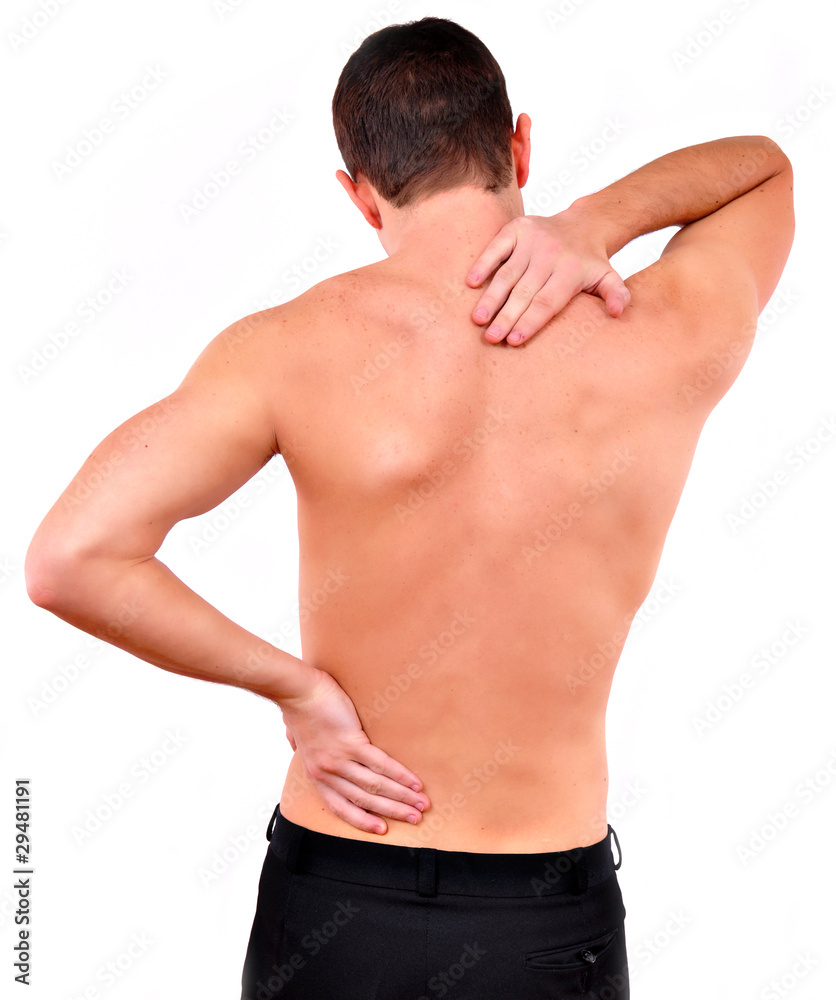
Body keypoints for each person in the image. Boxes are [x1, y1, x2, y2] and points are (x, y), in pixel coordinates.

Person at [25, 16, 793, 1000]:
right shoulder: (654, 328)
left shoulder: (287, 348)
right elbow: (762, 168)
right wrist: (593, 222)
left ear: (356, 193)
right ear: (518, 144)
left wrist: (294, 690)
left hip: (338, 894)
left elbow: (69, 560)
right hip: (550, 919)